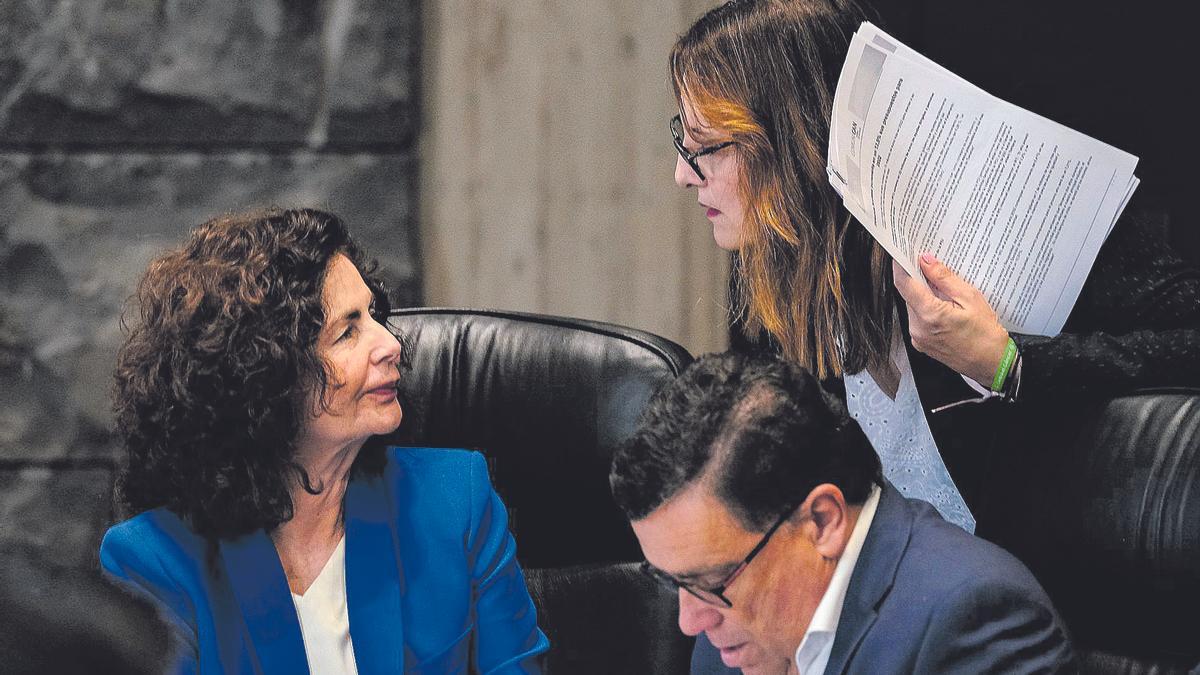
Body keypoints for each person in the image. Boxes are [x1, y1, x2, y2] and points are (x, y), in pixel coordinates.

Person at [668, 0, 1200, 533]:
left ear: (795, 139)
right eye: (683, 139)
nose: (682, 174)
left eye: (706, 146)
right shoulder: (776, 266)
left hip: (1040, 586)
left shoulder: (998, 218)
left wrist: (1009, 365)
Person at [100, 208, 548, 674]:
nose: (391, 344)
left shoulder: (456, 498)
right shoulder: (151, 559)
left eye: (373, 314)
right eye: (347, 331)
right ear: (265, 377)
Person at [610, 352, 1074, 674]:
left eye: (710, 583)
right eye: (674, 583)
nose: (689, 622)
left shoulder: (975, 621)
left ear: (822, 521)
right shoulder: (726, 635)